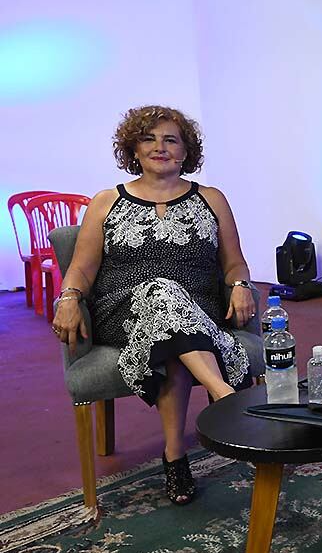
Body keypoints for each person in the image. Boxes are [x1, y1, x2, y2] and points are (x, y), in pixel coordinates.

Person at [51, 105, 257, 505]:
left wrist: (241, 285)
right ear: (134, 148)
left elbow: (233, 262)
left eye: (170, 139)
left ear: (186, 151)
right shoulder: (106, 201)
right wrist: (70, 298)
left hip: (196, 309)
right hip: (122, 310)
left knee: (174, 341)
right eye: (149, 139)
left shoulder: (212, 199)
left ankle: (175, 458)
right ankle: (224, 394)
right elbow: (81, 268)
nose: (159, 147)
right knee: (160, 292)